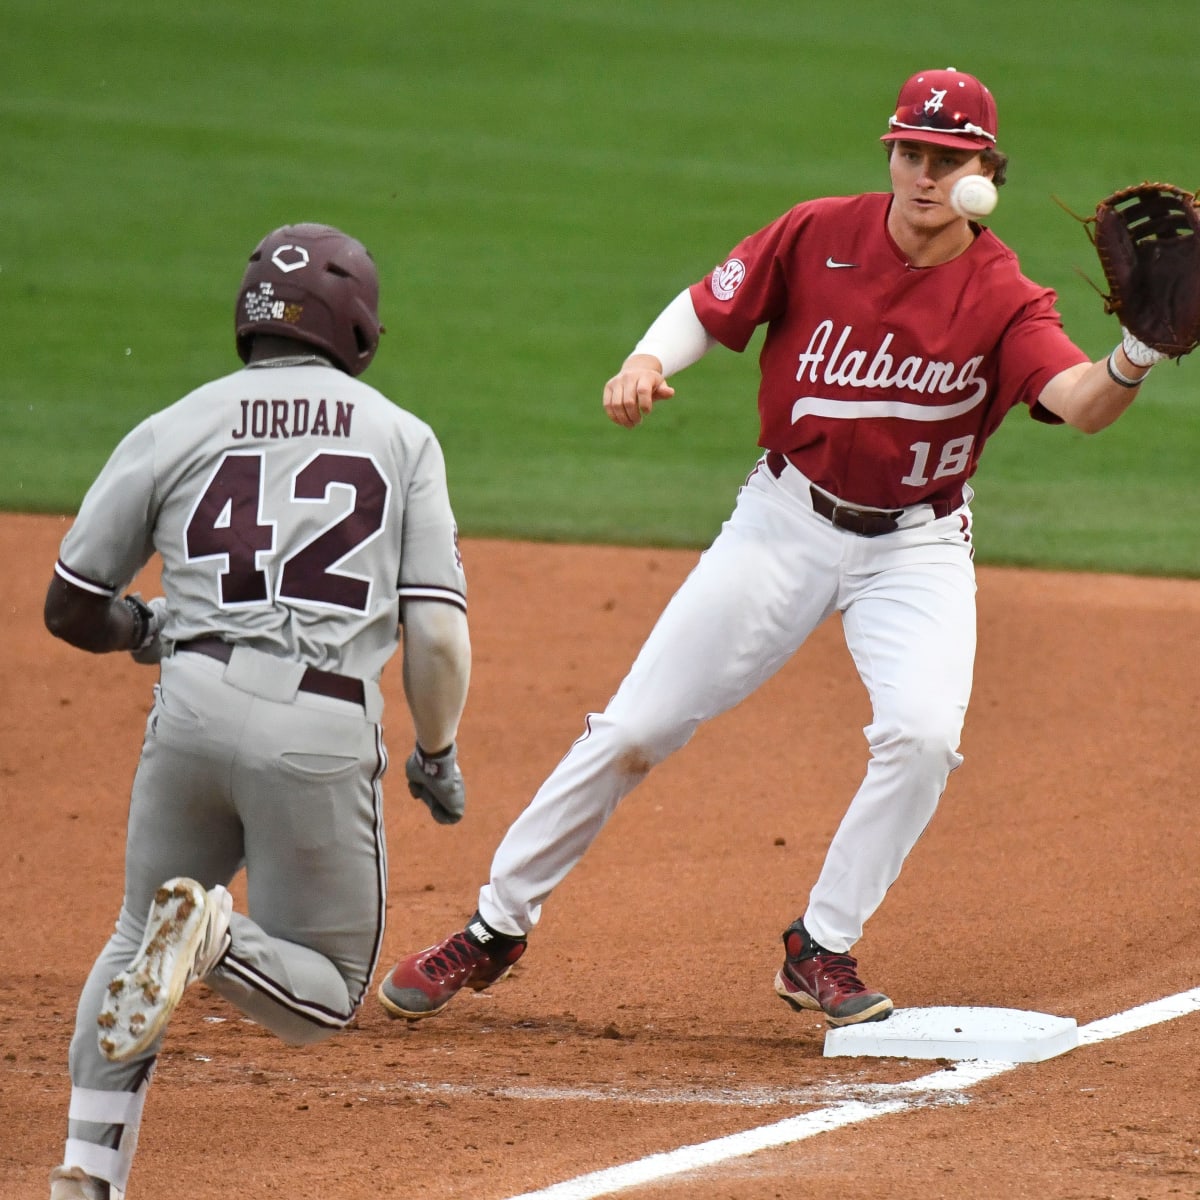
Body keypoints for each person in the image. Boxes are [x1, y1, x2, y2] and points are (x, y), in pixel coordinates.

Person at [376, 66, 1182, 1035]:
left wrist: (1136, 352)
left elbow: (1081, 406)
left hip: (916, 548)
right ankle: (495, 924)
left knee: (923, 737)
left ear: (984, 171)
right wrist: (642, 362)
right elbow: (706, 306)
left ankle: (820, 947)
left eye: (948, 159)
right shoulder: (815, 235)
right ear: (890, 152)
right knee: (636, 727)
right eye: (911, 152)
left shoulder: (1004, 294)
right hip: (784, 523)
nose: (925, 174)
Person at [44, 223, 471, 1200]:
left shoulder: (178, 422)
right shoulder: (401, 437)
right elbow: (438, 639)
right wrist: (437, 753)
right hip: (315, 725)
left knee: (129, 936)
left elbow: (70, 604)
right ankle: (214, 939)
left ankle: (87, 1172)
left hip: (188, 709)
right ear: (357, 325)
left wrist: (150, 629)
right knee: (323, 995)